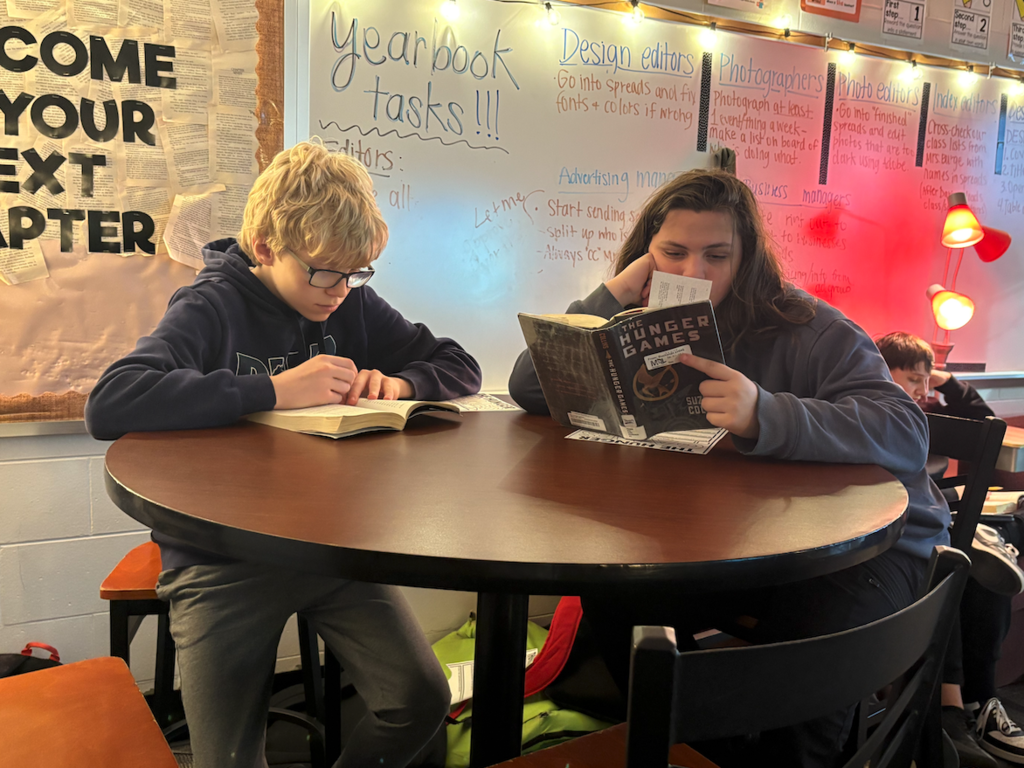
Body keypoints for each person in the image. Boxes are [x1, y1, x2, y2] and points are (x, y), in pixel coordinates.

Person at [508, 169, 950, 768]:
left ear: (746, 258)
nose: (694, 273)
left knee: (799, 681)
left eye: (717, 255)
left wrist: (766, 413)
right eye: (673, 252)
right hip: (744, 545)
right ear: (647, 254)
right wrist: (612, 293)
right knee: (615, 600)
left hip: (871, 549)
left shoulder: (808, 326)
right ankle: (707, 748)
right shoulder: (642, 316)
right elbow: (531, 386)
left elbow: (904, 429)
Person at [86, 141, 482, 768]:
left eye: (356, 274)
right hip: (221, 560)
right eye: (324, 272)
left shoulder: (349, 300)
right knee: (229, 759)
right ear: (268, 247)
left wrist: (403, 383)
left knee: (419, 698)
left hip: (332, 548)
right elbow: (111, 403)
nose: (339, 291)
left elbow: (460, 365)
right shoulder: (210, 305)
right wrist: (270, 390)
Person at [878, 331, 1024, 766]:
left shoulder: (930, 408)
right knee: (952, 561)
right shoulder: (871, 411)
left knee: (976, 565)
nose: (922, 391)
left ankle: (977, 706)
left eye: (926, 381)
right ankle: (956, 713)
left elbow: (986, 425)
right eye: (911, 379)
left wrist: (946, 383)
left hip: (936, 509)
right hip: (898, 521)